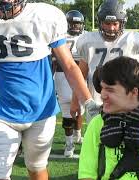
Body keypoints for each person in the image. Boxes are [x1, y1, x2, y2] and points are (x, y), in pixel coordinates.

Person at [0, 0, 97, 179]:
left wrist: (88, 101)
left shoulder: (43, 17)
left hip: (41, 113)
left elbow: (69, 65)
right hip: (2, 112)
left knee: (36, 168)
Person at [71, 0, 139, 118]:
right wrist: (75, 101)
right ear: (100, 22)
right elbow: (81, 74)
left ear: (122, 23)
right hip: (97, 102)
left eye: (115, 23)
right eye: (107, 23)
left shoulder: (132, 40)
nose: (111, 28)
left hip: (125, 102)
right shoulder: (88, 41)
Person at [53, 10, 87, 158]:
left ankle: (78, 135)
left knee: (82, 108)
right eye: (72, 23)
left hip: (82, 74)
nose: (74, 26)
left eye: (77, 23)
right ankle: (69, 143)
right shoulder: (59, 36)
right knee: (68, 110)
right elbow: (54, 61)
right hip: (63, 75)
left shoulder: (87, 37)